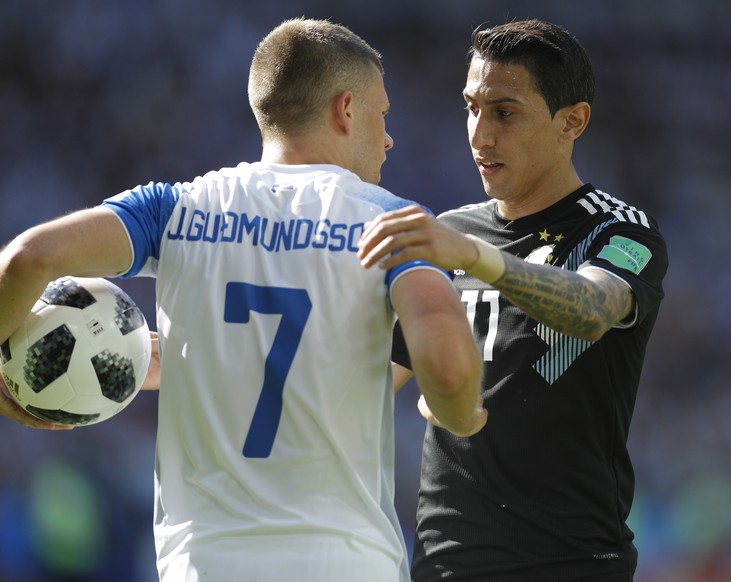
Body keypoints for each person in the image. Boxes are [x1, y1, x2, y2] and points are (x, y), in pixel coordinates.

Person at [0, 18, 486, 582]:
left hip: (205, 564)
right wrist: (462, 415)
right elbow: (448, 373)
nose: (388, 137)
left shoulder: (175, 208)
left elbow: (26, 260)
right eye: (382, 114)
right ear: (345, 108)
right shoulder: (390, 224)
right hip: (347, 562)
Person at [358, 19, 668, 581]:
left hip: (570, 564)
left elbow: (593, 309)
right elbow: (369, 379)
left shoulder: (619, 232)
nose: (479, 134)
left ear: (571, 121)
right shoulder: (451, 234)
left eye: (504, 112)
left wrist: (478, 258)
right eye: (472, 107)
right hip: (442, 564)